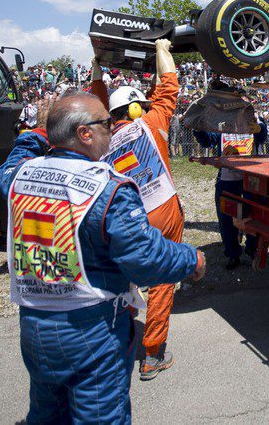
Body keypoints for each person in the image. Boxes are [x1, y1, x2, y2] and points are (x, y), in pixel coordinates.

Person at [0, 93, 204, 423]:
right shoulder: (106, 189)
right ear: (84, 134)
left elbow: (11, 161)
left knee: (47, 413)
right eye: (105, 124)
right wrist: (191, 259)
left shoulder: (18, 176)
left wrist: (41, 130)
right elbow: (145, 259)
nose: (112, 129)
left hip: (34, 328)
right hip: (91, 330)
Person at [90, 39, 185, 381]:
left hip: (120, 220)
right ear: (135, 110)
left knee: (120, 279)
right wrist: (161, 47)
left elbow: (96, 106)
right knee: (162, 280)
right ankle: (153, 354)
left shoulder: (97, 140)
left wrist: (98, 70)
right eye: (141, 105)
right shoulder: (151, 122)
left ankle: (117, 340)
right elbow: (169, 82)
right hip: (161, 211)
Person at [196, 119, 267, 269]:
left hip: (250, 178)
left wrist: (260, 128)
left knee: (254, 215)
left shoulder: (253, 119)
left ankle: (252, 248)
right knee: (226, 219)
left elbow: (262, 137)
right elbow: (208, 141)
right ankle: (233, 254)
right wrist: (198, 129)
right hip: (227, 179)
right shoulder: (222, 123)